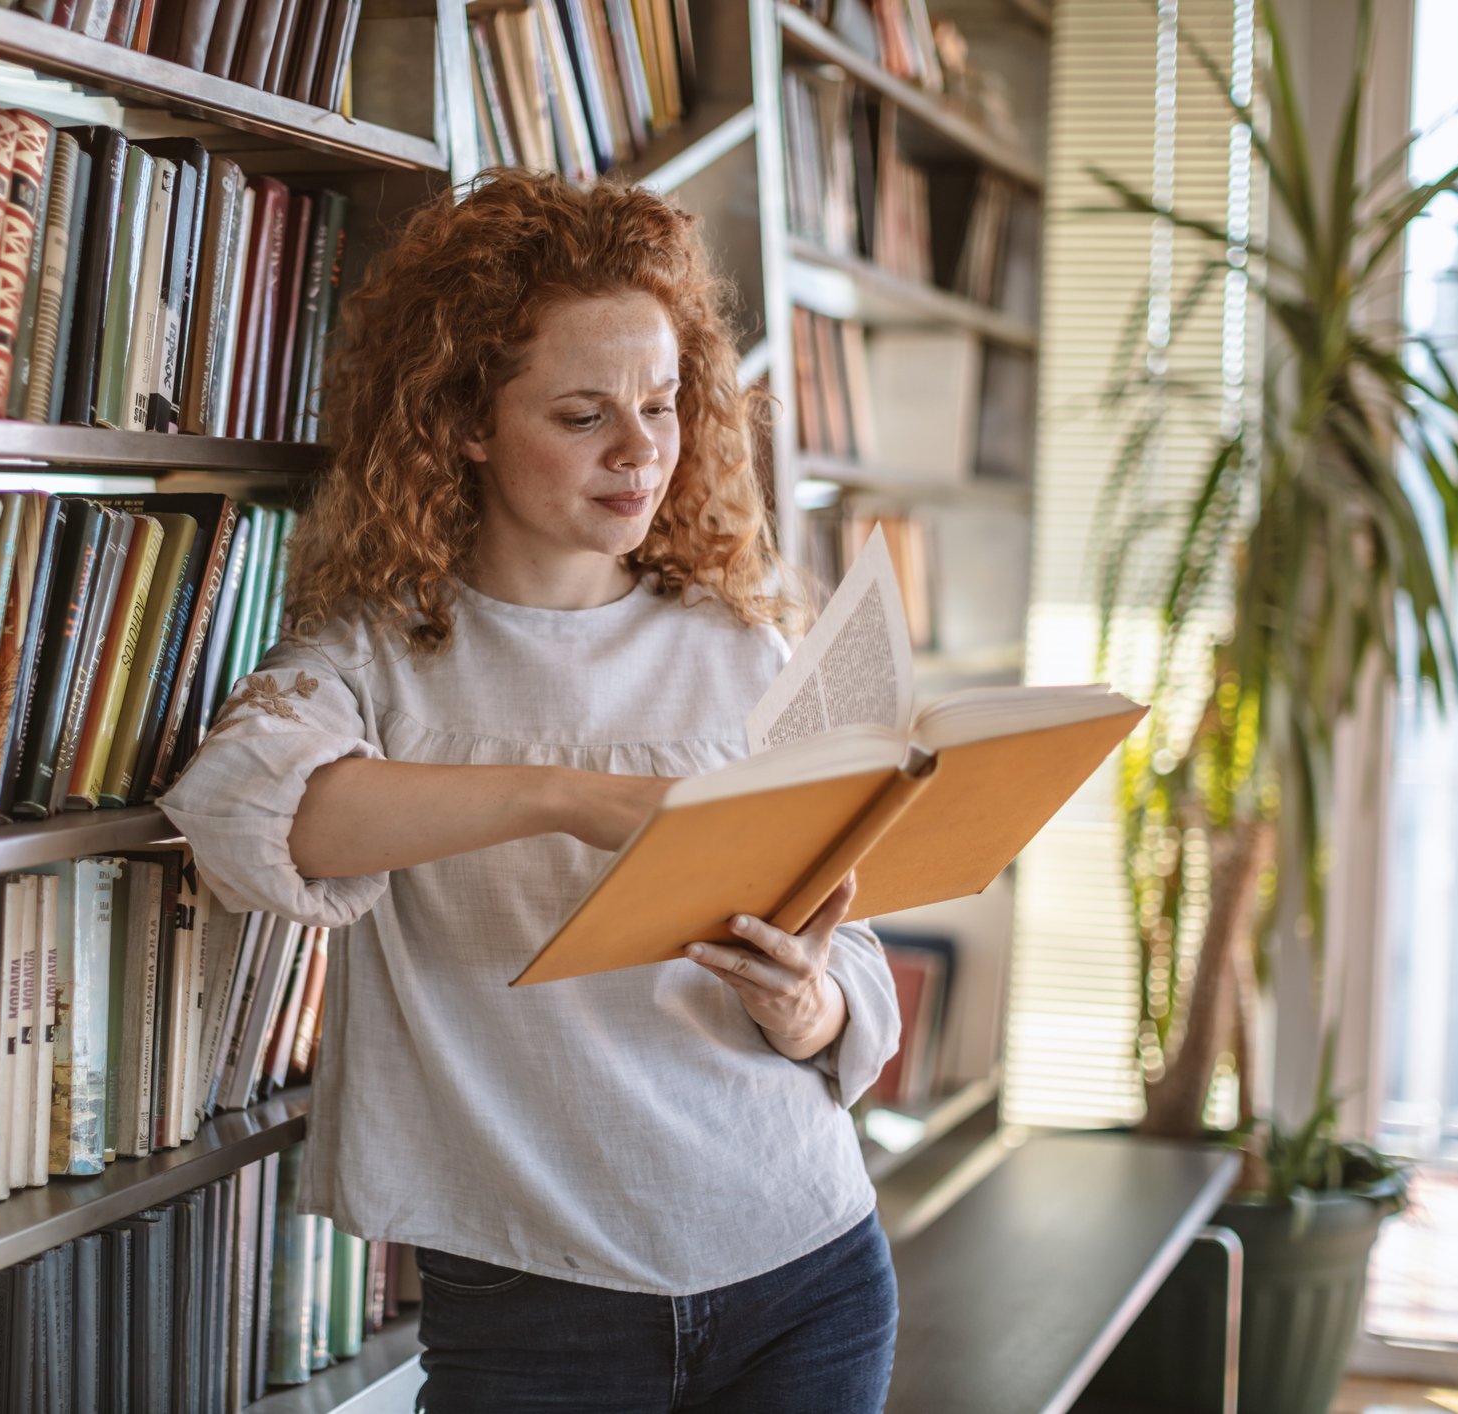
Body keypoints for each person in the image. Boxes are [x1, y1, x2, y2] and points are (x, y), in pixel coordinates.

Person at [161, 168, 903, 1413]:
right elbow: (245, 811)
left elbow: (857, 941)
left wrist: (813, 1006)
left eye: (664, 405)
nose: (641, 452)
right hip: (536, 1304)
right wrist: (564, 797)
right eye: (582, 415)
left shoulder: (743, 646)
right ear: (465, 420)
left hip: (808, 1264)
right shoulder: (377, 654)